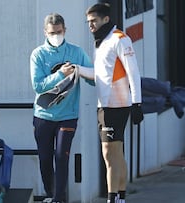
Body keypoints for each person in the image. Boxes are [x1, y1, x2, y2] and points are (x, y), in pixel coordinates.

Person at [30, 13, 93, 203]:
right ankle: (52, 195)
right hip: (43, 115)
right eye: (51, 33)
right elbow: (38, 86)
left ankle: (59, 199)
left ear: (65, 30)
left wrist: (81, 71)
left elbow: (93, 78)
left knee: (62, 156)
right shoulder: (38, 54)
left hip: (68, 115)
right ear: (45, 32)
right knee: (45, 160)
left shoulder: (76, 52)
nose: (55, 36)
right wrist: (60, 75)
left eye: (58, 32)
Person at [85, 3, 144, 203]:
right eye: (88, 22)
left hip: (117, 105)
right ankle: (120, 198)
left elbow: (133, 72)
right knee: (116, 153)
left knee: (109, 153)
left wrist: (137, 103)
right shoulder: (100, 42)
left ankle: (113, 198)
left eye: (94, 21)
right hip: (104, 104)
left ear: (106, 19)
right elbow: (99, 75)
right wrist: (75, 69)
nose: (90, 25)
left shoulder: (120, 38)